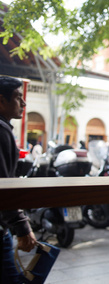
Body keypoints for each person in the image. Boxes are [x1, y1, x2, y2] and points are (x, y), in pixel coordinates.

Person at [0, 76, 37, 283]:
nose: (23, 103)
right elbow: (4, 185)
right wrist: (22, 227)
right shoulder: (1, 130)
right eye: (17, 97)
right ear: (1, 100)